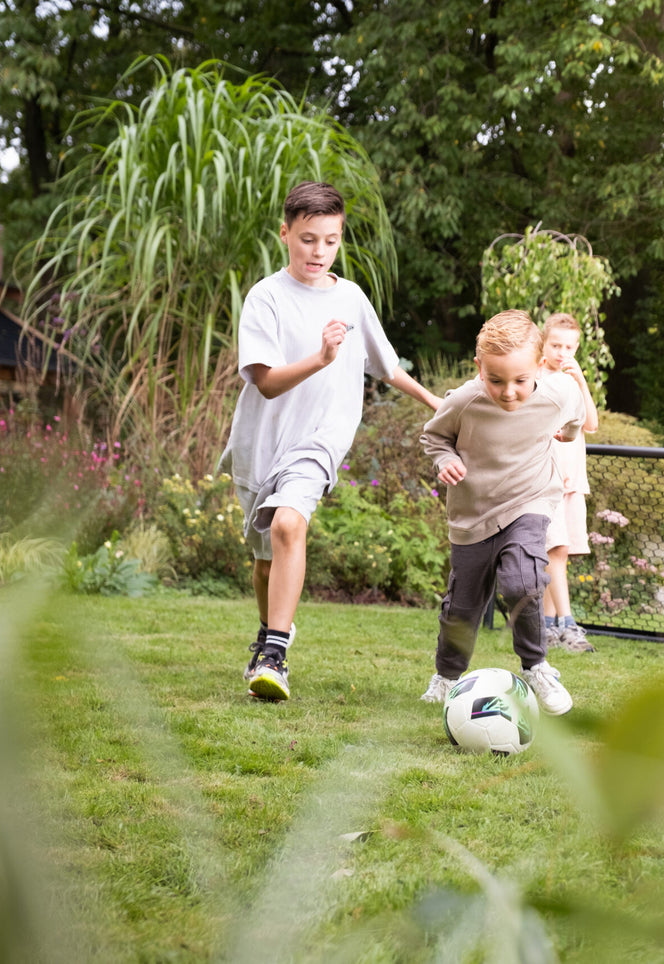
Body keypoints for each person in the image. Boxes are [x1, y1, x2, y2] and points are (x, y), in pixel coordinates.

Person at [219, 180, 441, 702]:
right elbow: (267, 383)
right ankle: (270, 634)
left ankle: (274, 653)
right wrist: (320, 358)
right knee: (266, 559)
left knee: (290, 523)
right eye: (308, 239)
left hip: (319, 442)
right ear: (285, 234)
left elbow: (388, 369)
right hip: (262, 443)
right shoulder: (265, 297)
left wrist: (441, 405)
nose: (319, 252)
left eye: (331, 240)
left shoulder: (351, 298)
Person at [418, 309, 586, 716]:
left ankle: (536, 666)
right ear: (479, 368)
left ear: (539, 366)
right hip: (473, 516)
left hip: (529, 502)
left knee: (523, 580)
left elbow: (576, 415)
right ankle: (446, 675)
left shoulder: (557, 392)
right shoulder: (463, 400)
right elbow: (434, 437)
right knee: (462, 607)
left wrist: (569, 434)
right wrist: (443, 461)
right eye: (496, 380)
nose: (509, 392)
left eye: (520, 380)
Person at [538, 313, 600, 653]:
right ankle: (568, 624)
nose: (563, 352)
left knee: (558, 555)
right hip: (549, 481)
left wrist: (582, 383)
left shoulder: (573, 379)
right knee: (556, 550)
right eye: (556, 345)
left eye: (570, 347)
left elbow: (590, 424)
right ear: (543, 344)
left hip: (575, 481)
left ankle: (546, 629)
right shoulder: (536, 379)